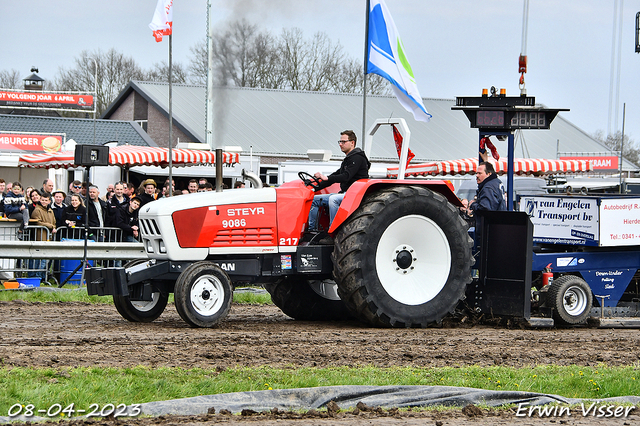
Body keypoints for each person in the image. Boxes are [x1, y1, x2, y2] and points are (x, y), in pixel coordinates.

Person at [308, 130, 370, 233]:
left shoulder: (358, 158)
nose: (340, 144)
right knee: (313, 200)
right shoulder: (348, 159)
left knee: (333, 199)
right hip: (345, 194)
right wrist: (314, 188)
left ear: (352, 142)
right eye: (339, 142)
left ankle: (334, 232)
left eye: (343, 142)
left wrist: (327, 178)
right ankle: (312, 231)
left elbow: (346, 176)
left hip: (355, 195)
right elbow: (335, 176)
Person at [29, 192, 56, 282]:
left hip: (49, 237)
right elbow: (37, 222)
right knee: (40, 259)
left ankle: (42, 276)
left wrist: (53, 227)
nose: (44, 202)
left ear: (49, 201)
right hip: (40, 237)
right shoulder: (37, 210)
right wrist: (50, 226)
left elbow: (54, 222)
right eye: (42, 200)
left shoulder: (50, 211)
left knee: (46, 258)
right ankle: (37, 276)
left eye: (46, 200)